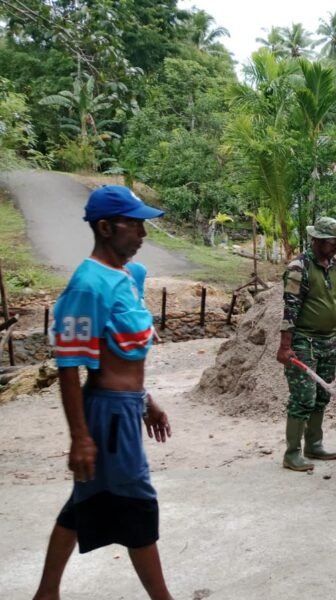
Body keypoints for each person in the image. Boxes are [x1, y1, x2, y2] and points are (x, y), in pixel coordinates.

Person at [35, 185, 174, 600]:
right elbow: (69, 366)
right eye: (134, 225)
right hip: (108, 416)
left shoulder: (129, 277)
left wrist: (146, 400)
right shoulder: (87, 286)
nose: (142, 234)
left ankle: (46, 594)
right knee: (136, 502)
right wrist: (80, 437)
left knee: (89, 499)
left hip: (127, 407)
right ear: (106, 227)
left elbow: (127, 358)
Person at [276, 216, 336, 472]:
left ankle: (314, 444)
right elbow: (290, 309)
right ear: (317, 240)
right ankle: (291, 453)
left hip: (329, 342)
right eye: (332, 241)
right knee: (303, 397)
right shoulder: (298, 268)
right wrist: (285, 346)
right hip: (303, 342)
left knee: (322, 395)